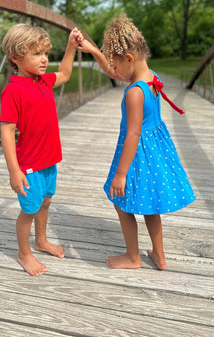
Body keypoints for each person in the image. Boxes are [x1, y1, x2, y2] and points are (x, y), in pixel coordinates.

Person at [77, 14, 195, 270]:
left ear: (129, 59)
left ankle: (133, 257)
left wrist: (121, 174)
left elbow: (132, 134)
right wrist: (92, 50)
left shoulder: (133, 93)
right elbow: (115, 72)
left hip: (136, 154)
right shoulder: (150, 76)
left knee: (120, 202)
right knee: (151, 206)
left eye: (116, 66)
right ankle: (159, 255)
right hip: (156, 150)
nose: (114, 72)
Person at [0, 23, 83, 276]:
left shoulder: (43, 82)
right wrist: (15, 171)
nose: (44, 59)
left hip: (49, 161)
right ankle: (24, 254)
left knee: (45, 203)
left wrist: (70, 47)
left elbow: (66, 74)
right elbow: (6, 132)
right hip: (29, 166)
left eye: (46, 53)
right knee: (29, 210)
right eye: (36, 54)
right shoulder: (13, 91)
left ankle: (41, 241)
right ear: (16, 58)